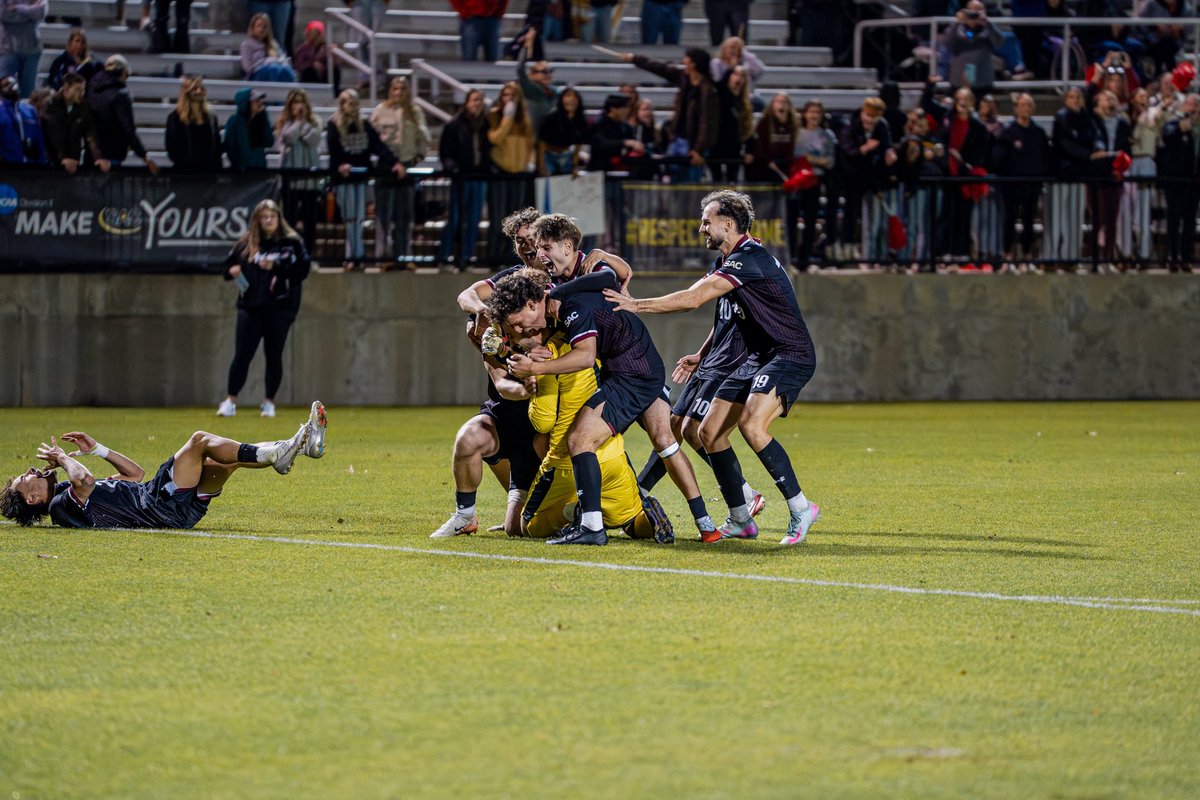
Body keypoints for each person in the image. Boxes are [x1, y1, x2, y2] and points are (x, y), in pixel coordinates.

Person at [603, 190, 821, 546]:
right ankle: (741, 517)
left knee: (751, 425)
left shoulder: (749, 258)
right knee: (707, 433)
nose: (702, 227)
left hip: (789, 354)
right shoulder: (729, 263)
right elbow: (727, 318)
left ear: (728, 224)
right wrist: (703, 353)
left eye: (707, 221)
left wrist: (635, 304)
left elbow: (692, 299)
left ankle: (801, 507)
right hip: (758, 357)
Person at [502, 214, 717, 545]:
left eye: (546, 247)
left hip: (630, 371)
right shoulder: (555, 286)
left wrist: (535, 367)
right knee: (663, 441)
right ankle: (706, 526)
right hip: (633, 365)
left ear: (569, 246)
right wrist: (536, 344)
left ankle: (591, 524)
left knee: (583, 440)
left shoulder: (587, 272)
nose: (540, 254)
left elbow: (609, 281)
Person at [1, 404, 326, 529]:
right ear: (31, 499)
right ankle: (283, 451)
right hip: (157, 506)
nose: (31, 471)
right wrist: (63, 458)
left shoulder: (67, 494)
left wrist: (97, 448)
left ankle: (300, 445)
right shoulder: (61, 505)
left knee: (224, 460)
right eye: (25, 478)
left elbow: (135, 475)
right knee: (199, 440)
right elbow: (83, 480)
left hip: (171, 510)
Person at [430, 208, 547, 539]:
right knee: (470, 438)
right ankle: (466, 515)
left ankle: (592, 511)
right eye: (519, 241)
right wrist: (483, 318)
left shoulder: (563, 289)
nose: (526, 247)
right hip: (512, 406)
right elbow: (468, 297)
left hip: (550, 414)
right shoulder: (504, 295)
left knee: (525, 527)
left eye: (533, 240)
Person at [522, 326, 670, 542]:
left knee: (527, 525)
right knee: (631, 519)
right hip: (613, 455)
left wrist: (530, 386)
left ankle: (575, 512)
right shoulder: (601, 345)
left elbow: (543, 422)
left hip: (568, 464)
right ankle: (647, 520)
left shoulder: (550, 354)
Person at [216, 199, 311, 419]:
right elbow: (224, 267)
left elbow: (301, 271)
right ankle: (230, 400)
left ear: (279, 218)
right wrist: (232, 270)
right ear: (257, 220)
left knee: (274, 354)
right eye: (264, 217)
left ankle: (269, 402)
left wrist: (276, 265)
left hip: (280, 308)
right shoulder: (247, 242)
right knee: (242, 354)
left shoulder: (292, 242)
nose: (268, 220)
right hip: (250, 306)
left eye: (272, 216)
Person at [326, 88, 398, 270]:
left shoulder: (364, 124)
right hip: (344, 179)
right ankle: (353, 256)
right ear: (342, 105)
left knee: (358, 217)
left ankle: (357, 256)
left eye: (355, 103)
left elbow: (378, 146)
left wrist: (394, 162)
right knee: (350, 217)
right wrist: (341, 165)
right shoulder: (334, 124)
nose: (353, 107)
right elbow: (334, 152)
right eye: (349, 103)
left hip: (361, 177)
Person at [625, 48, 719, 183]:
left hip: (692, 143)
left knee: (689, 183)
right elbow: (661, 68)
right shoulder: (684, 79)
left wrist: (699, 149)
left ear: (693, 63)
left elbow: (708, 123)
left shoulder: (708, 90)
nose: (683, 61)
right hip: (677, 139)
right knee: (672, 178)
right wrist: (635, 59)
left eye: (686, 59)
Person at [370, 75, 431, 266]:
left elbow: (424, 140)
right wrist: (391, 162)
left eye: (402, 89)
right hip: (385, 169)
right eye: (395, 88)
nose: (398, 93)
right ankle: (384, 258)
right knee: (384, 218)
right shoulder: (380, 110)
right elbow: (373, 140)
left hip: (407, 168)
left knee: (405, 218)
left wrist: (415, 160)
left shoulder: (415, 111)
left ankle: (403, 257)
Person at [1047, 86, 1103, 267]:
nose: (1075, 100)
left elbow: (1096, 136)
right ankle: (1051, 257)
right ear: (1065, 100)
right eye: (1071, 97)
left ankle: (1071, 257)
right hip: (1062, 174)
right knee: (1057, 219)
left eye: (1078, 96)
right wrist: (1087, 154)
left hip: (1079, 174)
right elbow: (1064, 144)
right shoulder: (1061, 117)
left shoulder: (1087, 118)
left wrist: (1097, 148)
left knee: (1076, 218)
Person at [837, 96, 897, 265]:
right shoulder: (851, 127)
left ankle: (874, 254)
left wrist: (889, 154)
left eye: (874, 117)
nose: (869, 120)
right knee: (851, 213)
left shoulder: (882, 126)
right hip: (852, 176)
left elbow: (887, 146)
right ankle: (846, 247)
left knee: (874, 218)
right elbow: (850, 152)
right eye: (867, 116)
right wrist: (866, 148)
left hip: (873, 178)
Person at [436, 89, 490, 269]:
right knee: (455, 218)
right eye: (474, 100)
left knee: (474, 219)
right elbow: (445, 152)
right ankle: (445, 256)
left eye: (480, 100)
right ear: (467, 102)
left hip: (478, 177)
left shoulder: (485, 125)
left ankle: (467, 256)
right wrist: (453, 168)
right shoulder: (454, 125)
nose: (477, 103)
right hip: (461, 178)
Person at [997, 93, 1049, 269]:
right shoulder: (1008, 133)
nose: (1025, 108)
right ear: (1016, 108)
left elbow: (1044, 157)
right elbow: (1001, 159)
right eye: (1022, 105)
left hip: (1031, 184)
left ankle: (1026, 257)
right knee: (1010, 219)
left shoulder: (1038, 133)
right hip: (1012, 185)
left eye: (1028, 105)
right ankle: (1008, 256)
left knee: (1029, 219)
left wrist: (1040, 176)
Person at [485, 82, 535, 264]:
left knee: (516, 220)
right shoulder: (494, 115)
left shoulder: (525, 119)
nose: (509, 99)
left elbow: (530, 143)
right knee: (498, 216)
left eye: (513, 96)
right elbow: (495, 138)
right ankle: (493, 256)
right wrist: (507, 117)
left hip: (519, 174)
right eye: (506, 95)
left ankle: (511, 256)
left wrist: (529, 162)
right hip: (500, 173)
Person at [87, 55, 157, 173]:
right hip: (112, 154)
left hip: (92, 154)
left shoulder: (92, 90)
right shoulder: (121, 95)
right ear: (123, 72)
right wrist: (144, 156)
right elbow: (127, 128)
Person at [277, 87, 322, 261]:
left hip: (310, 181)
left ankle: (308, 255)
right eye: (295, 102)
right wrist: (299, 123)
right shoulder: (284, 123)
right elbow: (287, 138)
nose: (299, 105)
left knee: (310, 220)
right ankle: (288, 254)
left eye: (301, 101)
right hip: (291, 181)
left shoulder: (316, 121)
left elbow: (314, 140)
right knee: (289, 219)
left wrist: (302, 125)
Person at [792, 98, 838, 267]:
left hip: (815, 182)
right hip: (797, 182)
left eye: (817, 112)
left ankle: (805, 258)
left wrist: (811, 159)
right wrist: (817, 160)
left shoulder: (827, 135)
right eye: (811, 111)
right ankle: (792, 256)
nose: (814, 115)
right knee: (793, 220)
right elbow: (795, 156)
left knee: (811, 221)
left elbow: (830, 162)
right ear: (805, 113)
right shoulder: (796, 133)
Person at [1157, 92, 1200, 271]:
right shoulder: (1174, 123)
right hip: (1175, 179)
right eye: (1190, 104)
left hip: (1194, 179)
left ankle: (1186, 256)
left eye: (1196, 105)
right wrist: (1185, 124)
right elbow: (1168, 135)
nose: (1194, 108)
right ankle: (1173, 256)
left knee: (1190, 220)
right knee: (1174, 219)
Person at [1090, 88, 1131, 271]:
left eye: (1112, 98)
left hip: (1115, 174)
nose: (1110, 101)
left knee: (1112, 219)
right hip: (1097, 173)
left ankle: (1108, 258)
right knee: (1098, 218)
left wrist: (1120, 166)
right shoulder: (1093, 121)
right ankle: (1095, 259)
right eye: (1105, 98)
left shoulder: (1122, 122)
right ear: (1098, 102)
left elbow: (1126, 147)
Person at [39, 73, 108, 174]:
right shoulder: (50, 104)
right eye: (78, 90)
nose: (82, 94)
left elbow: (90, 134)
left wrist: (98, 158)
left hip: (74, 162)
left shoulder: (83, 107)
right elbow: (53, 135)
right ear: (66, 88)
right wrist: (62, 159)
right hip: (51, 163)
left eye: (83, 90)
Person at [943, 1, 1004, 97]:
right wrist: (957, 22)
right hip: (959, 79)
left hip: (983, 79)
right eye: (972, 11)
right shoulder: (958, 27)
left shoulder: (988, 27)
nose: (975, 14)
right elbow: (948, 44)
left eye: (978, 10)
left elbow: (999, 42)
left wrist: (987, 23)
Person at [165, 75, 222, 173]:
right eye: (194, 88)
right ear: (186, 91)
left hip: (208, 174)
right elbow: (171, 148)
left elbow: (216, 146)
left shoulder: (211, 116)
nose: (198, 91)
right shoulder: (174, 117)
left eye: (201, 88)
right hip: (185, 175)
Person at [711, 65, 753, 183]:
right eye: (735, 74)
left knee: (732, 183)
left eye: (741, 76)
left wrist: (749, 149)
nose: (738, 78)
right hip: (716, 147)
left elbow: (748, 128)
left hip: (734, 149)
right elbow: (719, 85)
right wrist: (730, 67)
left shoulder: (744, 104)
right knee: (715, 182)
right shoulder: (720, 96)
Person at [537, 87, 588, 176]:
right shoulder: (552, 116)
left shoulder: (581, 120)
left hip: (567, 155)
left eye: (575, 97)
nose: (571, 99)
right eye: (568, 96)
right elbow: (542, 142)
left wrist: (575, 165)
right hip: (549, 155)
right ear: (561, 99)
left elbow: (578, 145)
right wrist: (541, 165)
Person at [0, 0, 44, 99]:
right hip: (7, 49)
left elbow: (40, 13)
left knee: (28, 97)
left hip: (32, 49)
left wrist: (18, 8)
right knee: (4, 93)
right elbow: (3, 14)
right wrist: (29, 12)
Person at [223, 87, 274, 173]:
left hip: (259, 169)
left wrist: (264, 117)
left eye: (260, 100)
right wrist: (239, 165)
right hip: (240, 172)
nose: (260, 103)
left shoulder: (260, 120)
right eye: (256, 101)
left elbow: (269, 142)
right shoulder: (234, 121)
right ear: (246, 103)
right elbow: (230, 147)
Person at [0, 72, 44, 164]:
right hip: (7, 166)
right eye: (6, 85)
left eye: (14, 83)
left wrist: (41, 161)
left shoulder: (30, 110)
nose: (12, 87)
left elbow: (38, 138)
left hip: (30, 164)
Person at [516, 46, 559, 136]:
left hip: (550, 136)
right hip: (532, 135)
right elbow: (520, 69)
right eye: (544, 71)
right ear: (532, 75)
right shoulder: (530, 89)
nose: (548, 74)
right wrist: (526, 48)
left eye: (550, 71)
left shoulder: (555, 91)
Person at [241, 13, 296, 82]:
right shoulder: (246, 45)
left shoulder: (272, 43)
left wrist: (277, 61)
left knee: (286, 70)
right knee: (273, 69)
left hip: (276, 70)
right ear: (253, 27)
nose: (261, 29)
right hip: (256, 74)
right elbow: (247, 67)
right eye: (259, 26)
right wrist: (266, 61)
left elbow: (282, 57)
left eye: (265, 27)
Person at [292, 19, 328, 84]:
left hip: (322, 76)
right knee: (310, 71)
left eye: (317, 33)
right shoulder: (303, 49)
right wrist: (312, 64)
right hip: (307, 74)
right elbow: (298, 65)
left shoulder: (325, 48)